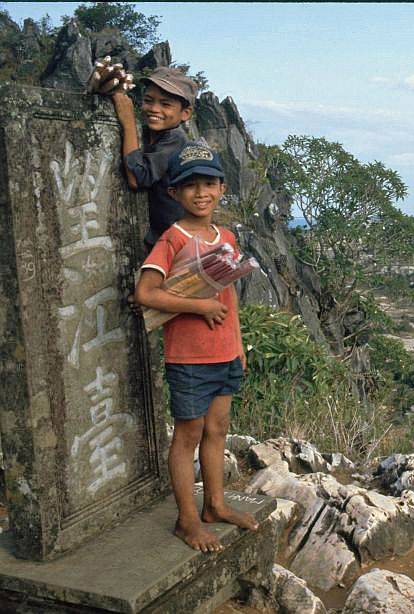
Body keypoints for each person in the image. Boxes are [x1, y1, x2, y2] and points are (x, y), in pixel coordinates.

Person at [134, 142, 257, 552]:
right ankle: (187, 520)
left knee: (218, 430)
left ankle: (215, 505)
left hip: (225, 354)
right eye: (190, 186)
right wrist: (197, 305)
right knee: (188, 435)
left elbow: (228, 296)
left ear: (222, 188)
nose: (201, 193)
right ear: (175, 193)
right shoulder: (174, 238)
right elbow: (146, 293)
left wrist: (237, 345)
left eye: (209, 183)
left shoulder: (225, 236)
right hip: (188, 358)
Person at [108, 66, 199, 251]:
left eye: (166, 104)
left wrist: (128, 122)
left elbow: (137, 179)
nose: (154, 109)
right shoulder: (155, 132)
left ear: (185, 113)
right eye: (148, 101)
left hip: (172, 241)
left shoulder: (175, 138)